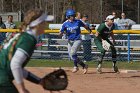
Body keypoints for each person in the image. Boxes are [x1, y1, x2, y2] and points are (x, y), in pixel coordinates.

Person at [0, 9, 54, 93]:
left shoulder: (25, 35)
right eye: (44, 22)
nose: (46, 24)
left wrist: (39, 81)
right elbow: (15, 65)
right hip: (2, 79)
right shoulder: (28, 39)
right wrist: (22, 89)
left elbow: (18, 68)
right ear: (37, 24)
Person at [59, 9, 93, 74]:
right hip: (70, 41)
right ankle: (84, 66)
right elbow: (61, 31)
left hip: (77, 40)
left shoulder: (78, 21)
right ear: (68, 16)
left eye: (74, 15)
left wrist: (89, 30)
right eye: (72, 16)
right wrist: (60, 33)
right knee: (72, 56)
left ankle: (75, 66)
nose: (73, 17)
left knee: (72, 53)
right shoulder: (65, 24)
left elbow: (85, 26)